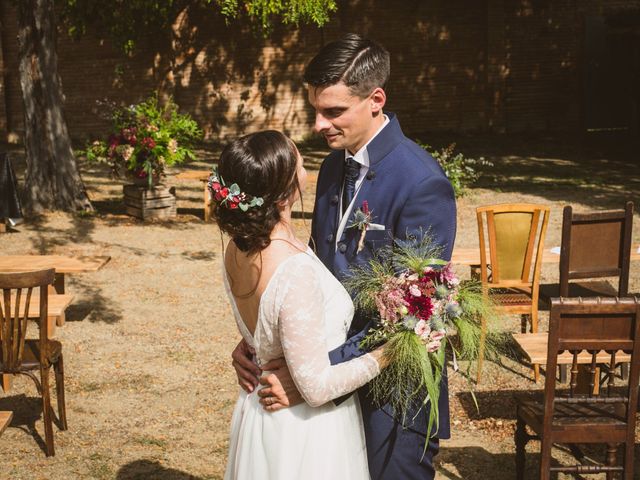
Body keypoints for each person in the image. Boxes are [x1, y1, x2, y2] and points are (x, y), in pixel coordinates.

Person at [231, 34, 457, 479]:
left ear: (376, 100)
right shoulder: (335, 164)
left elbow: (417, 313)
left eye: (333, 111)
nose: (318, 124)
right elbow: (314, 268)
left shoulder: (422, 184)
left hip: (393, 400)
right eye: (315, 109)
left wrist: (310, 373)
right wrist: (263, 339)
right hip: (327, 392)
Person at [216, 130, 387, 480]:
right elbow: (317, 387)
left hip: (262, 416)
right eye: (298, 159)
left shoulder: (235, 249)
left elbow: (265, 324)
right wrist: (390, 352)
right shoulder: (293, 269)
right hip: (306, 434)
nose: (305, 162)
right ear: (284, 192)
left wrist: (253, 346)